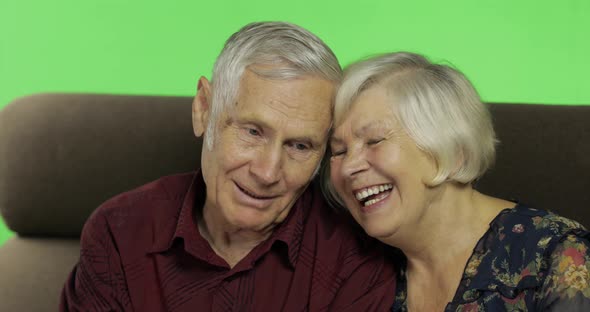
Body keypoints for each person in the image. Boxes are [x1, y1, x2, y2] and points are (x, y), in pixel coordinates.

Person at [60, 22, 396, 311]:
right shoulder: (119, 232)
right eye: (252, 131)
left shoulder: (355, 261)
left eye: (299, 146)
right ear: (203, 109)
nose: (267, 173)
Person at [325, 52, 590, 311]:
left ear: (451, 151)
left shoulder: (561, 257)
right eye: (338, 151)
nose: (348, 167)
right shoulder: (357, 270)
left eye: (374, 141)